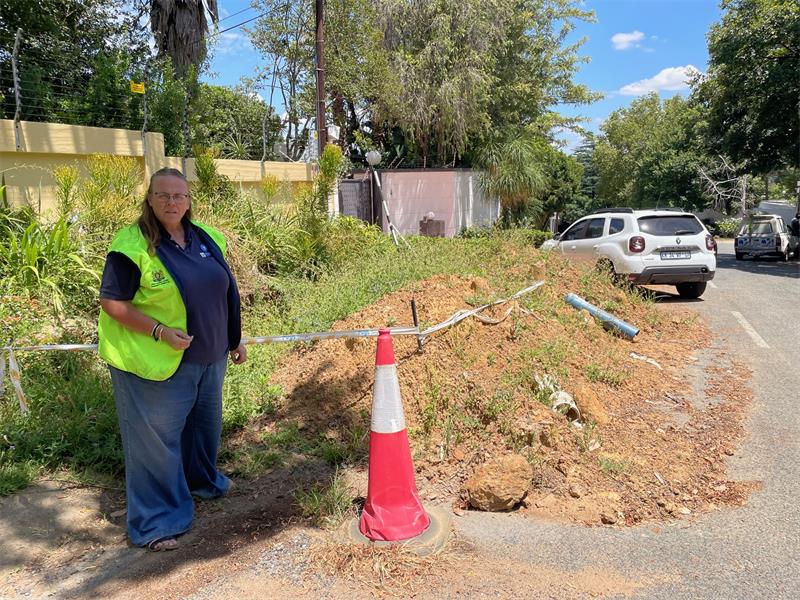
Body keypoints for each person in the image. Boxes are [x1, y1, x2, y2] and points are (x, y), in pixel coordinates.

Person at [98, 167, 247, 551]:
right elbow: (113, 303)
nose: (172, 202)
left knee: (202, 430)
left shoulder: (206, 237)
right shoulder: (132, 245)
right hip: (154, 361)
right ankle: (156, 522)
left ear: (189, 199)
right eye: (163, 195)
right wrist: (159, 331)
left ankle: (201, 482)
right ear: (149, 199)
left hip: (209, 357)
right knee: (155, 443)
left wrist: (234, 339)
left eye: (179, 195)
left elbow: (222, 291)